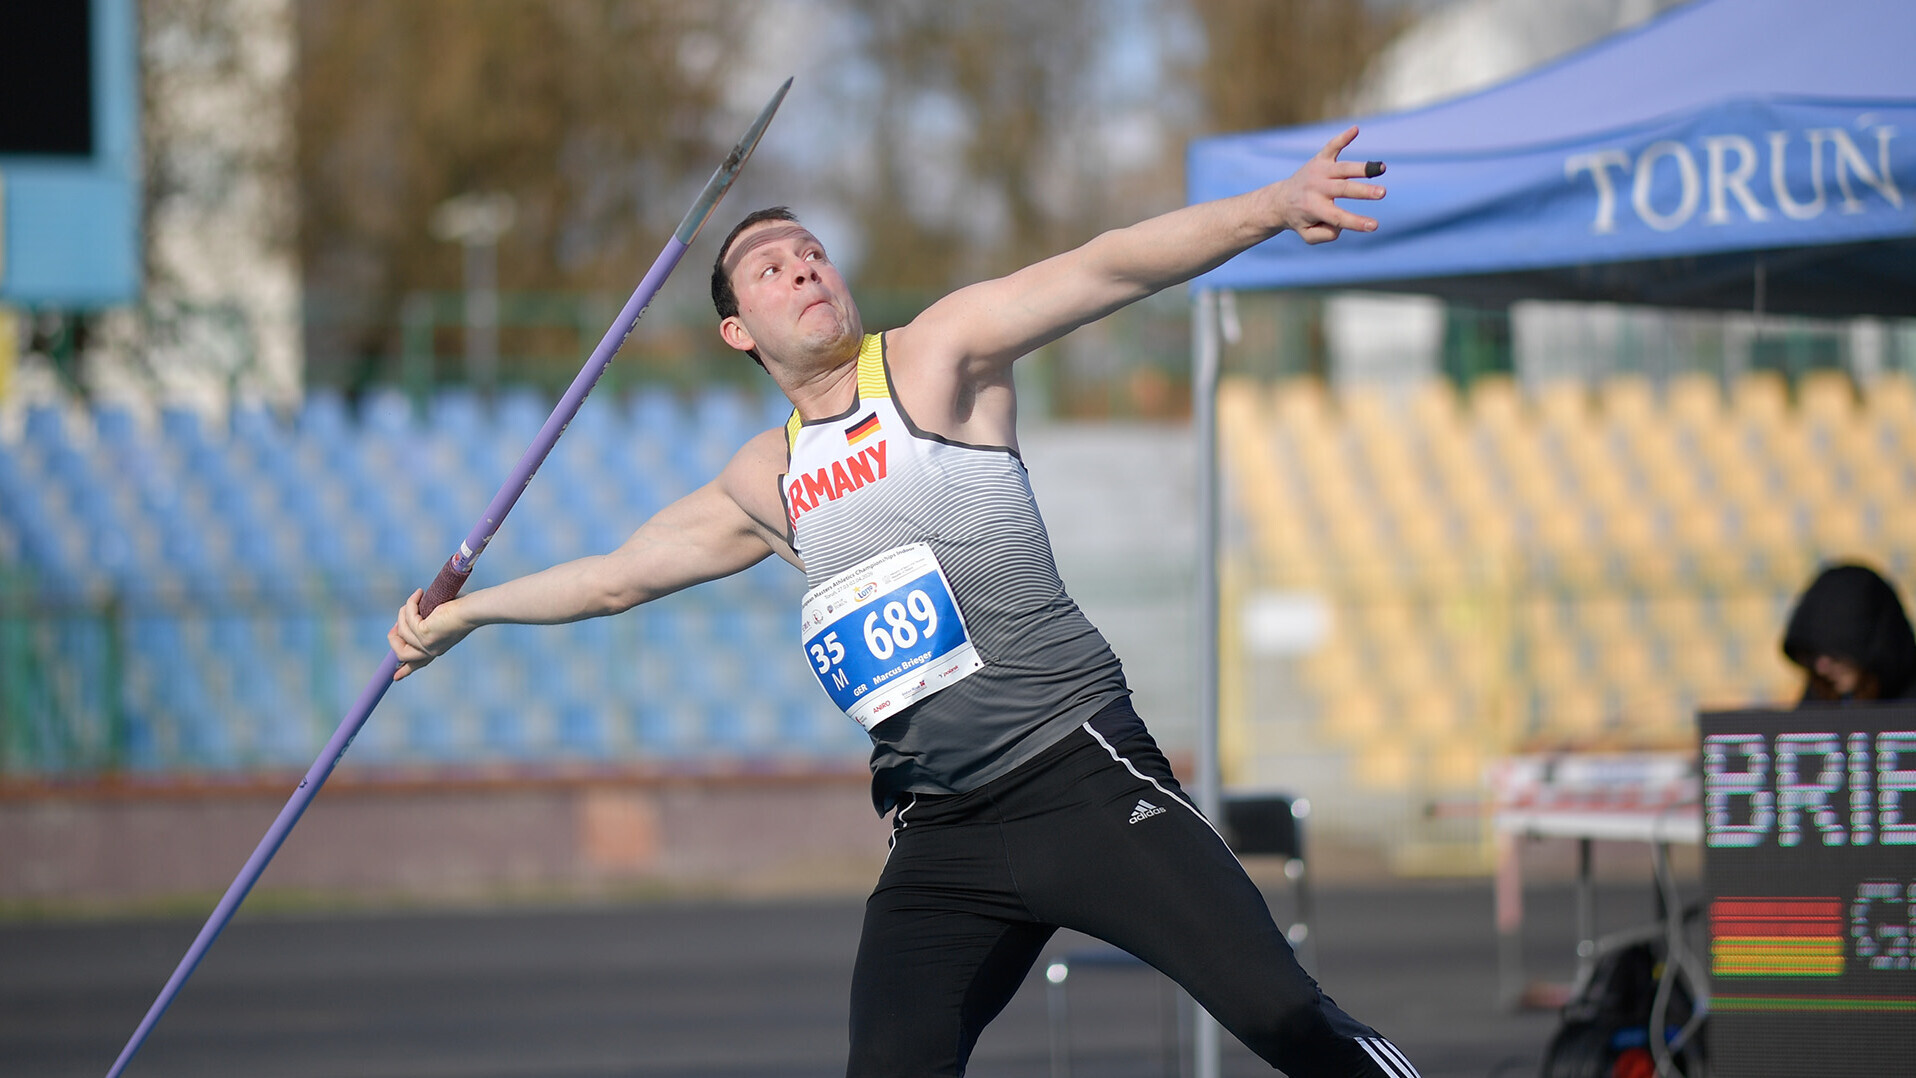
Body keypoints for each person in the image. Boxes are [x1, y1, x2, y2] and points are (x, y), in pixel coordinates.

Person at [390, 126, 1420, 1078]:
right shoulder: (765, 479)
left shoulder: (934, 357)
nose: (803, 267)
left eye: (812, 253)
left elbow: (1107, 265)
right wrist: (463, 614)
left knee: (1283, 1016)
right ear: (737, 330)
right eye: (771, 267)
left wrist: (1270, 206)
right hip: (941, 836)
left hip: (1078, 777)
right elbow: (619, 575)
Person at [1781, 562, 1916, 705]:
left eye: (1835, 654)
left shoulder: (1908, 706)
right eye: (1812, 655)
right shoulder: (1819, 701)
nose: (1821, 668)